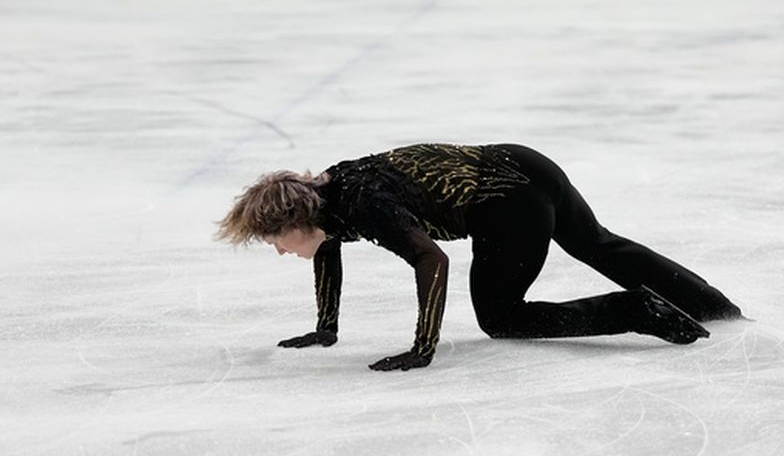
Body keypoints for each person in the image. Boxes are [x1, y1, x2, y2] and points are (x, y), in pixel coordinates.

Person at [216, 143, 742, 371]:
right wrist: (326, 328)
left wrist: (422, 349)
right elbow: (326, 246)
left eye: (275, 240)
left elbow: (431, 260)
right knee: (596, 243)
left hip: (505, 202)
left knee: (501, 318)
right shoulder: (330, 195)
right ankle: (712, 305)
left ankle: (636, 310)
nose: (279, 251)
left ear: (296, 220)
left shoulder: (365, 206)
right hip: (528, 164)